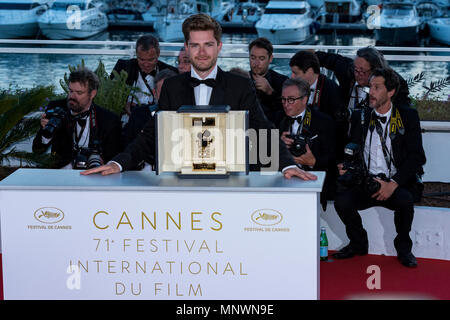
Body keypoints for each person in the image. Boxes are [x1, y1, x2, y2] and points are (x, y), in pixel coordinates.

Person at [82, 13, 316, 181]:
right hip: (179, 180)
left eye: (208, 45)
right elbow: (152, 134)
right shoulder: (172, 86)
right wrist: (117, 163)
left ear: (219, 47)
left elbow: (263, 130)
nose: (202, 52)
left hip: (229, 181)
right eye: (195, 45)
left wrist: (287, 165)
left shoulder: (240, 86)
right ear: (186, 47)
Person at [332, 67, 426, 268]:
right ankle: (358, 243)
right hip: (366, 182)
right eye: (370, 87)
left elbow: (417, 157)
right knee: (341, 200)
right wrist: (346, 165)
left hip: (394, 183)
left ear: (390, 92)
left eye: (376, 87)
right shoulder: (361, 116)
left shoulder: (408, 116)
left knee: (405, 201)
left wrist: (393, 184)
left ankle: (404, 249)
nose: (370, 92)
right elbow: (352, 148)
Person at [32, 68, 122, 169]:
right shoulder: (57, 108)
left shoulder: (108, 119)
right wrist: (46, 133)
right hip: (61, 171)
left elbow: (114, 155)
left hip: (94, 171)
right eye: (70, 91)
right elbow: (37, 150)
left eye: (79, 93)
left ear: (92, 94)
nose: (72, 97)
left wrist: (103, 161)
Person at [279, 78, 336, 208]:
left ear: (304, 99)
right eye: (283, 99)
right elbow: (263, 158)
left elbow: (333, 158)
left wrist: (313, 162)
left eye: (291, 99)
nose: (286, 104)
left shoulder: (324, 122)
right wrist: (278, 144)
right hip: (283, 181)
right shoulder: (275, 120)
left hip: (312, 181)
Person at [315, 46, 410, 116]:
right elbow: (328, 59)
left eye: (362, 71)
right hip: (342, 129)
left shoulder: (394, 83)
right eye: (356, 69)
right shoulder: (348, 69)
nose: (357, 74)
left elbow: (404, 113)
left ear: (375, 70)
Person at [289, 50, 348, 161]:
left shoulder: (332, 91)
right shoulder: (293, 87)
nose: (291, 77)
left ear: (310, 71)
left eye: (296, 73)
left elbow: (337, 131)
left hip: (322, 151)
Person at [111, 35, 178, 115]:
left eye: (150, 60)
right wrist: (123, 105)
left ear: (158, 54)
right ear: (136, 54)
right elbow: (109, 94)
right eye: (141, 59)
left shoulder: (170, 72)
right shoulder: (123, 67)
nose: (146, 64)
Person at [123, 68, 177, 151]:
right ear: (154, 93)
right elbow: (128, 147)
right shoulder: (139, 115)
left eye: (172, 91)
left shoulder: (187, 115)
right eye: (163, 92)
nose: (168, 96)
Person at [248, 37, 288, 128]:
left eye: (261, 59)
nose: (256, 63)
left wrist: (270, 92)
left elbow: (287, 112)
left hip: (273, 132)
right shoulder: (242, 80)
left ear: (270, 59)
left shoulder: (282, 81)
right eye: (253, 58)